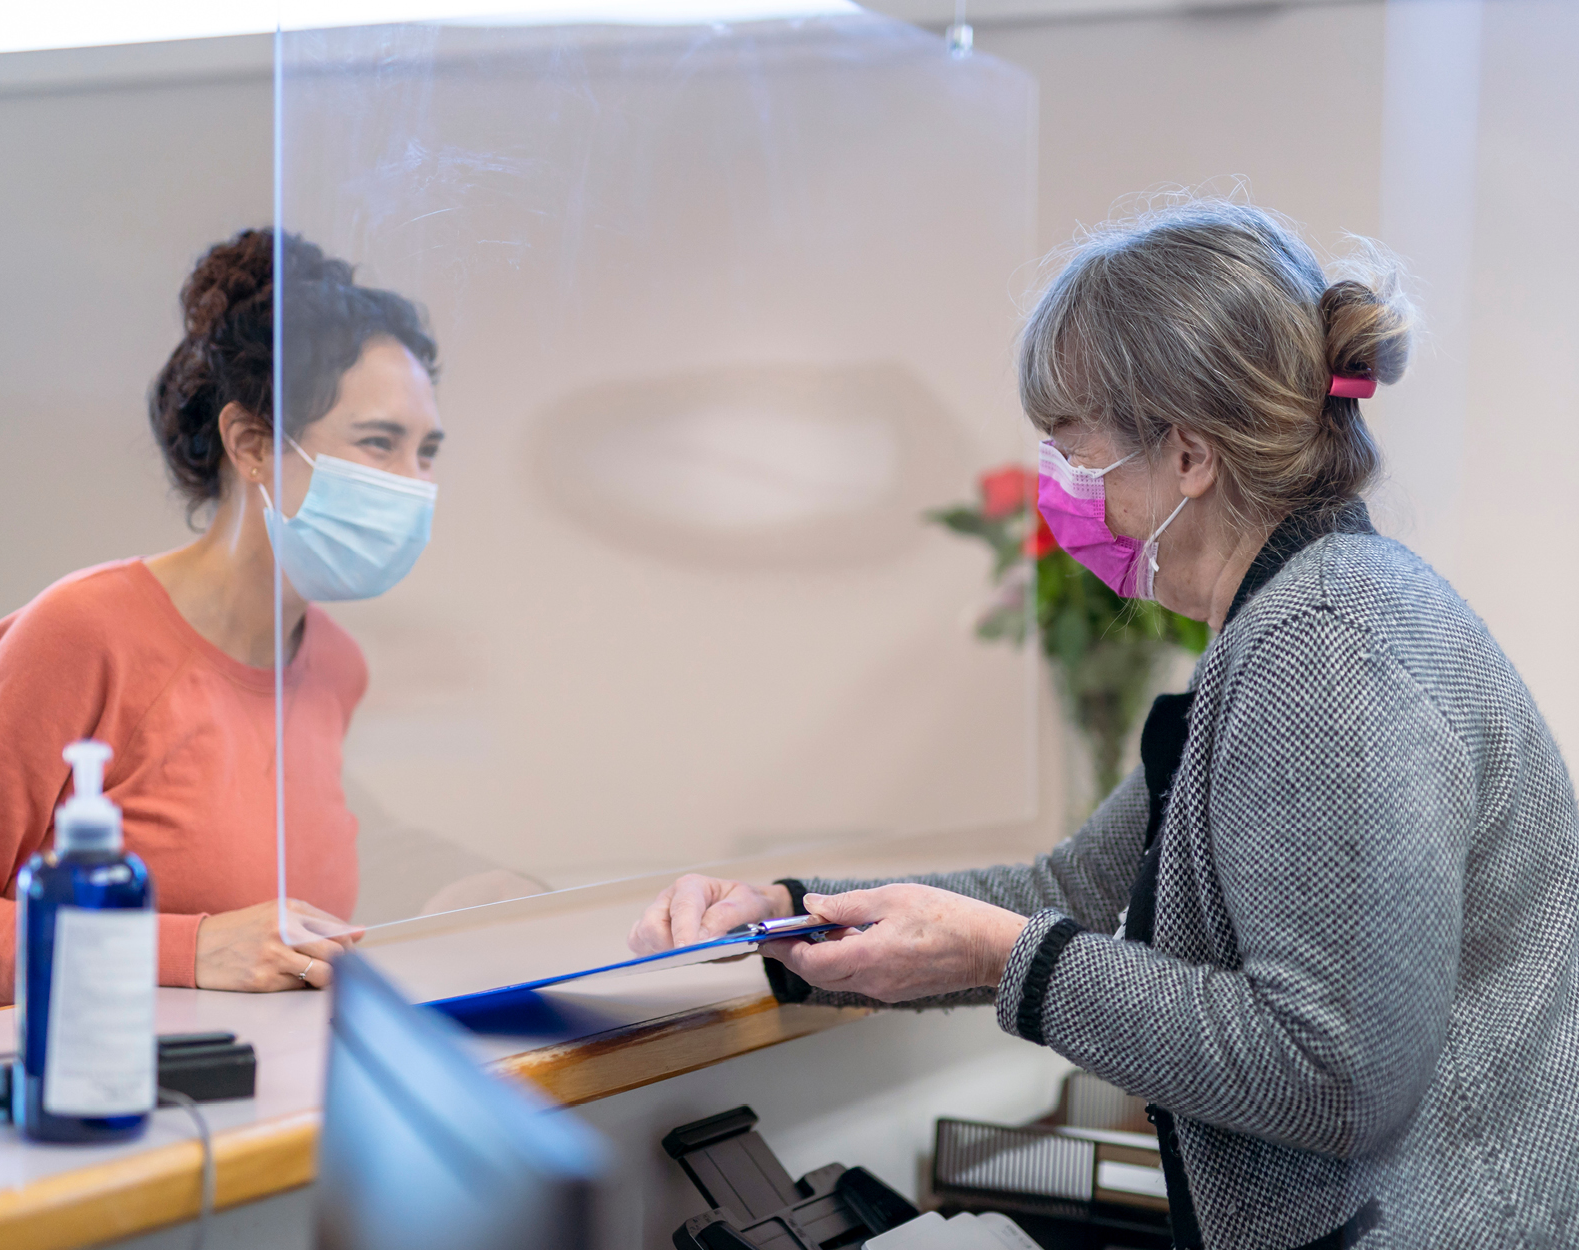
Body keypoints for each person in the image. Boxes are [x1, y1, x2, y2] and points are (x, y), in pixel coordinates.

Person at [630, 201, 1579, 1248]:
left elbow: (1335, 1075)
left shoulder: (1326, 644)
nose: (1058, 492)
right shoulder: (1298, 622)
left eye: (1072, 449)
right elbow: (1071, 892)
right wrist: (791, 917)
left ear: (1187, 455)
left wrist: (1008, 962)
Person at [0, 229, 450, 1006]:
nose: (414, 484)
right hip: (104, 1108)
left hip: (279, 1111)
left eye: (427, 453)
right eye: (380, 443)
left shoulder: (336, 664)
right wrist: (188, 946)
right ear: (251, 443)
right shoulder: (81, 633)